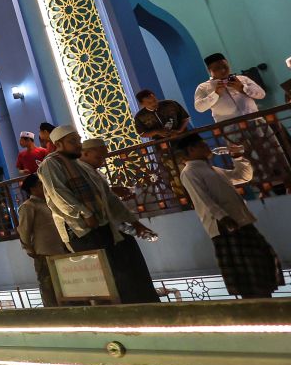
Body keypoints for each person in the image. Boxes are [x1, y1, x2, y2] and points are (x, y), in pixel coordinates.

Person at [37, 125, 161, 304]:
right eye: (72, 141)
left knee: (122, 272)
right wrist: (85, 213)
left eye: (78, 141)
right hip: (81, 230)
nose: (78, 145)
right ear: (58, 143)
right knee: (106, 279)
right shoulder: (51, 163)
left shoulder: (78, 165)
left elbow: (108, 198)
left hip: (101, 225)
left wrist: (134, 223)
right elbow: (58, 194)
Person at [177, 133, 283, 298]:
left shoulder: (213, 169)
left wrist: (238, 157)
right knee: (247, 269)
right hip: (226, 225)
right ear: (191, 150)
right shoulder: (189, 172)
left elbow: (243, 176)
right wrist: (223, 217)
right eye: (202, 145)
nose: (207, 147)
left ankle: (263, 301)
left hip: (239, 220)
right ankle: (256, 304)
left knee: (259, 261)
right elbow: (202, 198)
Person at [17, 173, 68, 306]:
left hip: (60, 250)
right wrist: (29, 249)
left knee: (66, 285)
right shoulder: (28, 206)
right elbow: (24, 231)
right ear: (33, 189)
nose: (44, 186)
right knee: (49, 288)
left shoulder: (50, 203)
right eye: (41, 184)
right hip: (44, 252)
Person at [194, 53, 265, 122]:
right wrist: (216, 94)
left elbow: (262, 94)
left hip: (256, 120)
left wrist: (242, 87)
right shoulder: (203, 87)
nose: (223, 70)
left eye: (225, 66)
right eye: (217, 68)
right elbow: (199, 108)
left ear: (228, 64)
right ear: (209, 70)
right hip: (230, 128)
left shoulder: (242, 79)